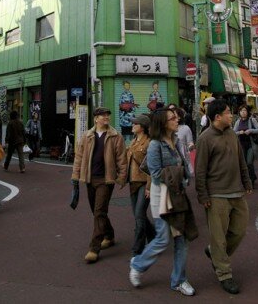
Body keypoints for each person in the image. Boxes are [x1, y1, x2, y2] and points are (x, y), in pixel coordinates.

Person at [129, 108, 197, 296]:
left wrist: (183, 174)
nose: (177, 120)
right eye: (172, 118)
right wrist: (178, 172)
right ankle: (138, 264)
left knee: (181, 240)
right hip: (162, 198)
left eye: (176, 117)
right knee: (162, 239)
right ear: (163, 123)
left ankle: (179, 280)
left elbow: (182, 166)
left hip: (178, 195)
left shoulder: (175, 141)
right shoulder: (155, 145)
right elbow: (156, 174)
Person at [195, 99, 252, 295]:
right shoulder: (205, 138)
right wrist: (202, 195)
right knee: (218, 237)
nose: (232, 115)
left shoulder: (231, 134)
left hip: (237, 190)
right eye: (228, 112)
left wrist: (247, 181)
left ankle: (215, 254)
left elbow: (240, 159)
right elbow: (200, 170)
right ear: (217, 116)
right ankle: (224, 274)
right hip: (216, 193)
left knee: (239, 231)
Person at [71, 107, 127, 264]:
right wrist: (76, 175)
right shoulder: (87, 135)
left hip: (106, 179)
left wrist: (122, 177)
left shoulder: (116, 136)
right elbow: (79, 157)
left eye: (107, 115)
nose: (106, 117)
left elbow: (121, 159)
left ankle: (94, 248)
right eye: (103, 115)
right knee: (97, 212)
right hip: (90, 178)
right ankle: (109, 235)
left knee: (99, 211)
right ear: (96, 118)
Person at [126, 114, 155, 256]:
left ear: (142, 127)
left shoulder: (149, 143)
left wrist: (149, 186)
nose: (132, 125)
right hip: (132, 182)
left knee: (139, 215)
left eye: (135, 123)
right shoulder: (132, 142)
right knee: (139, 215)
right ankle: (153, 235)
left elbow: (151, 166)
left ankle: (137, 249)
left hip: (144, 182)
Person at [233, 105, 258, 187]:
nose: (243, 112)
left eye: (245, 110)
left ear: (247, 112)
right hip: (241, 144)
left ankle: (251, 180)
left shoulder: (252, 120)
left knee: (249, 162)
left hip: (251, 144)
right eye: (241, 111)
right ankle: (246, 180)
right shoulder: (238, 121)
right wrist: (239, 132)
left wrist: (250, 130)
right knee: (243, 163)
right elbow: (233, 132)